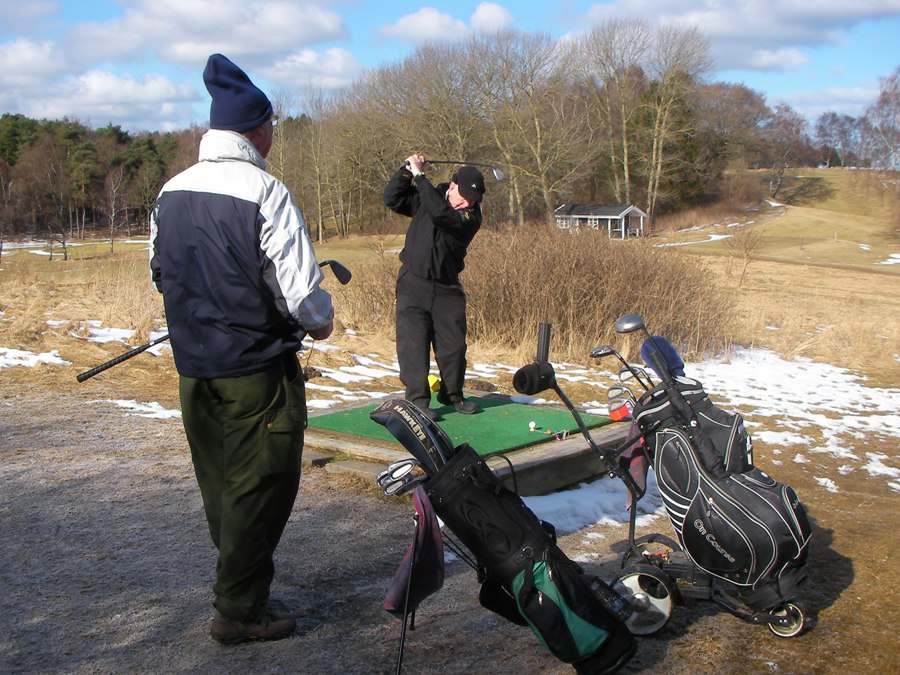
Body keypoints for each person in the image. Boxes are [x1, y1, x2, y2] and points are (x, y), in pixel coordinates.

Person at [149, 53, 334, 644]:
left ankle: (244, 589)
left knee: (223, 487)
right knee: (263, 489)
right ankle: (237, 611)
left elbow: (160, 272)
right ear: (257, 130)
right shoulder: (266, 192)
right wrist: (321, 324)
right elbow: (303, 296)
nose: (274, 136)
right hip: (256, 372)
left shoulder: (169, 192)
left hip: (194, 369)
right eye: (272, 126)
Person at [383, 154, 485, 420]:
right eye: (464, 196)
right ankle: (418, 400)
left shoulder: (470, 218)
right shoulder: (430, 197)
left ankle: (452, 395)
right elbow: (393, 198)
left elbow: (440, 214)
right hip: (413, 282)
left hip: (447, 288)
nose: (468, 203)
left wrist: (420, 177)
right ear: (451, 186)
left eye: (473, 200)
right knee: (413, 344)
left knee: (453, 347)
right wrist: (407, 171)